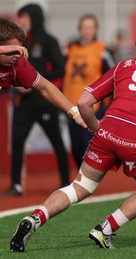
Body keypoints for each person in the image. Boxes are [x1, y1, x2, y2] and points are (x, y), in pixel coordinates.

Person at [9, 32, 136, 252]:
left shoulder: (122, 66)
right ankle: (106, 229)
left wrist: (95, 126)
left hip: (106, 130)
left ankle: (34, 218)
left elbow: (84, 101)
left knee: (80, 186)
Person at [4, 3, 71, 196]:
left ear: (35, 17)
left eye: (24, 17)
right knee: (17, 142)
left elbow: (60, 68)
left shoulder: (49, 41)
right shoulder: (18, 42)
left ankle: (66, 183)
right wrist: (16, 84)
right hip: (22, 103)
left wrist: (33, 80)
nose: (21, 21)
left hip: (43, 101)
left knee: (57, 142)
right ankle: (16, 185)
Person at [0, 16, 85, 147]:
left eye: (19, 50)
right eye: (11, 51)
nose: (16, 55)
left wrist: (75, 113)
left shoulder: (18, 64)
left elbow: (45, 88)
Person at [62, 13, 115, 168]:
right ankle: (82, 177)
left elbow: (113, 77)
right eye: (84, 27)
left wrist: (109, 105)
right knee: (75, 146)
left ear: (95, 30)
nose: (86, 30)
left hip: (92, 106)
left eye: (90, 27)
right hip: (70, 105)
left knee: (88, 145)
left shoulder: (102, 50)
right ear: (80, 29)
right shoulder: (69, 49)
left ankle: (88, 178)